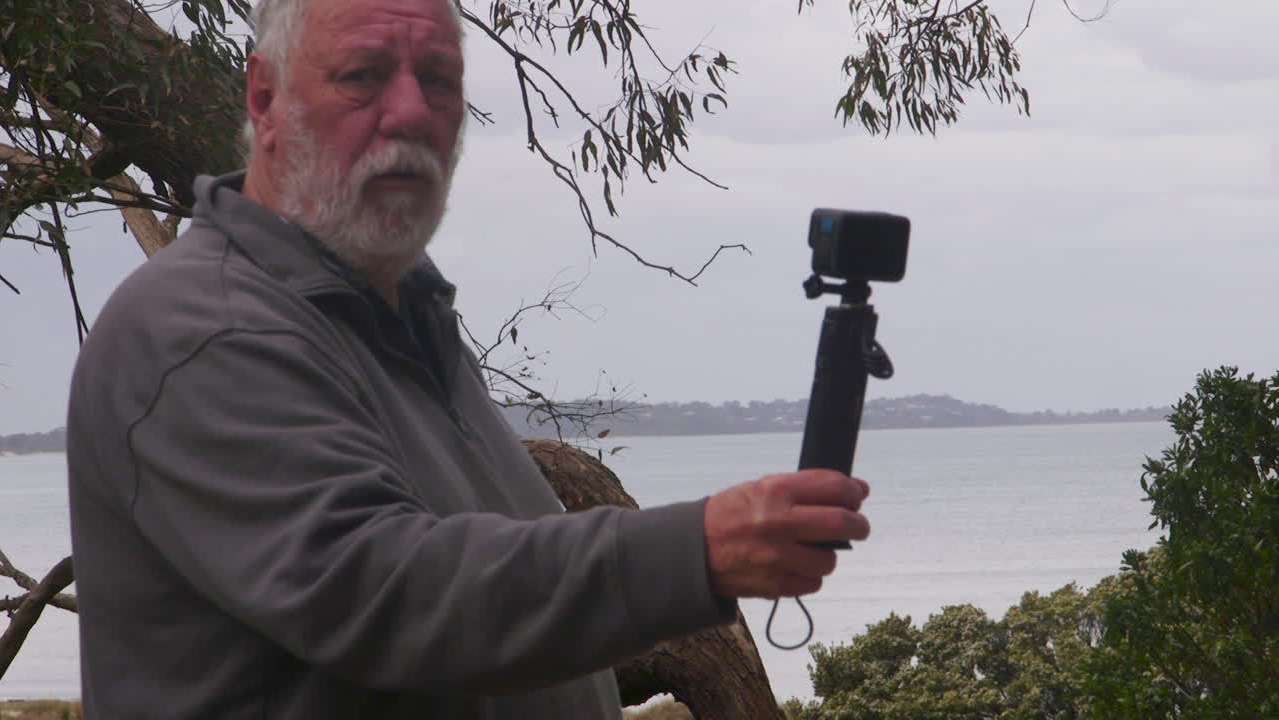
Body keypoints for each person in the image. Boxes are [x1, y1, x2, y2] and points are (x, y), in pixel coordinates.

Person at [64, 0, 871, 717]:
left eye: (441, 81)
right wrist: (692, 552)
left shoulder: (406, 317)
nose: (411, 112)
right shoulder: (202, 333)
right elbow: (388, 593)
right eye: (364, 75)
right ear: (264, 98)